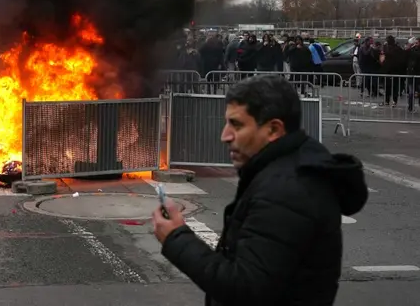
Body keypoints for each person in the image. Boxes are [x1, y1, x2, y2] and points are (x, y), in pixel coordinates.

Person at [152, 74, 368, 306]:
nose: (224, 136)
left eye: (236, 124)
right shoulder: (288, 169)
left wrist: (177, 239)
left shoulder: (286, 191)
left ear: (273, 129)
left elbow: (245, 289)